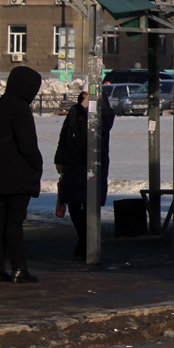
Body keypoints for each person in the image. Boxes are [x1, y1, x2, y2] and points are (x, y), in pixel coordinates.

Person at [0, 65, 45, 283]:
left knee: (0, 219)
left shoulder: (0, 105)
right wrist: (37, 164)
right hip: (18, 172)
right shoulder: (20, 108)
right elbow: (27, 144)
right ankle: (19, 268)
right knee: (15, 221)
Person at [54, 88, 115, 259]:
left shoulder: (106, 113)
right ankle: (83, 238)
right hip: (73, 165)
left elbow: (96, 131)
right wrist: (59, 159)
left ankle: (88, 241)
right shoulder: (74, 111)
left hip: (92, 164)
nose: (85, 96)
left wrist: (90, 110)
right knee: (73, 203)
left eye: (89, 94)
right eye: (84, 93)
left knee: (89, 203)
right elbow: (64, 135)